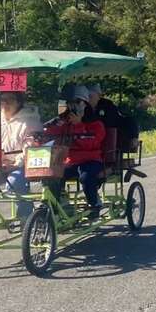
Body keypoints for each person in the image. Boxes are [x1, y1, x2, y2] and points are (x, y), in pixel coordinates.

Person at [43, 85, 106, 219]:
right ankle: (56, 205)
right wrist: (40, 133)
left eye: (77, 103)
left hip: (91, 160)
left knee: (85, 177)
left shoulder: (96, 125)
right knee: (52, 174)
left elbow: (91, 143)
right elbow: (52, 131)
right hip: (71, 162)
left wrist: (78, 125)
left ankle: (94, 204)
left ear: (85, 105)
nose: (73, 107)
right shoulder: (66, 123)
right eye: (71, 103)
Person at [0, 92, 41, 215]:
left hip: (22, 165)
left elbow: (31, 148)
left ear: (18, 102)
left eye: (10, 99)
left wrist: (16, 164)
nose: (5, 103)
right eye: (2, 99)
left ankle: (25, 217)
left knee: (14, 182)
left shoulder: (30, 121)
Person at [85, 82, 140, 149]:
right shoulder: (81, 107)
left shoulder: (107, 105)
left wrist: (134, 136)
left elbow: (126, 120)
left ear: (98, 95)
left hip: (108, 144)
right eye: (86, 96)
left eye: (90, 96)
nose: (87, 99)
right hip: (87, 143)